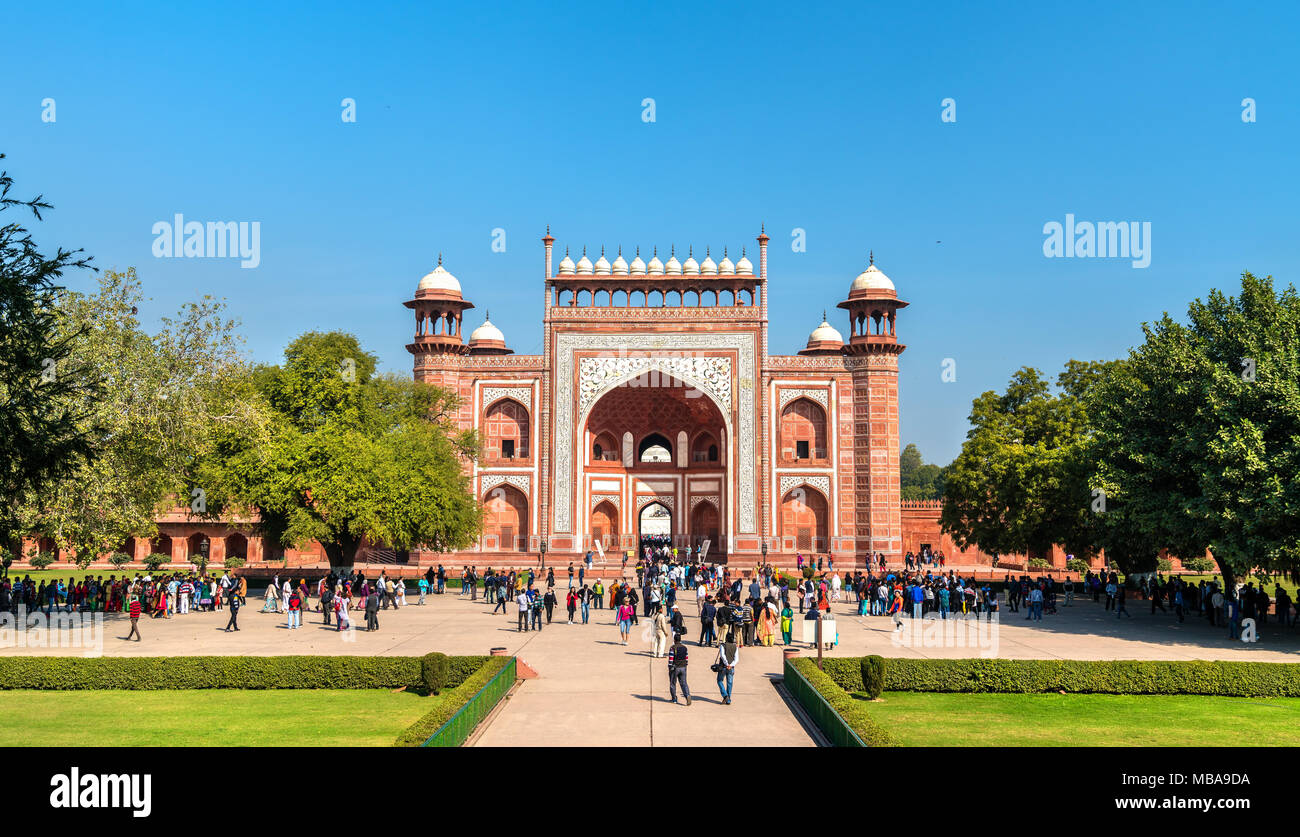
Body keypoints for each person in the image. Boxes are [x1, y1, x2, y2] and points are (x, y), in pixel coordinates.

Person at [668, 633, 691, 705]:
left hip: (675, 668)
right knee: (684, 683)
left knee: (673, 683)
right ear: (680, 640)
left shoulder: (673, 648)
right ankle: (687, 696)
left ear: (674, 640)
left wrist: (669, 667)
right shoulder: (685, 648)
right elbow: (686, 658)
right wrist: (685, 665)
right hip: (683, 667)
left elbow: (671, 659)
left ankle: (674, 699)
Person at [714, 637, 738, 705]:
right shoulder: (735, 646)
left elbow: (722, 655)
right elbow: (736, 659)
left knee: (719, 680)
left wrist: (727, 664)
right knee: (729, 683)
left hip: (723, 667)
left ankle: (725, 696)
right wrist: (731, 665)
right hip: (731, 668)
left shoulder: (723, 645)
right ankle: (728, 699)